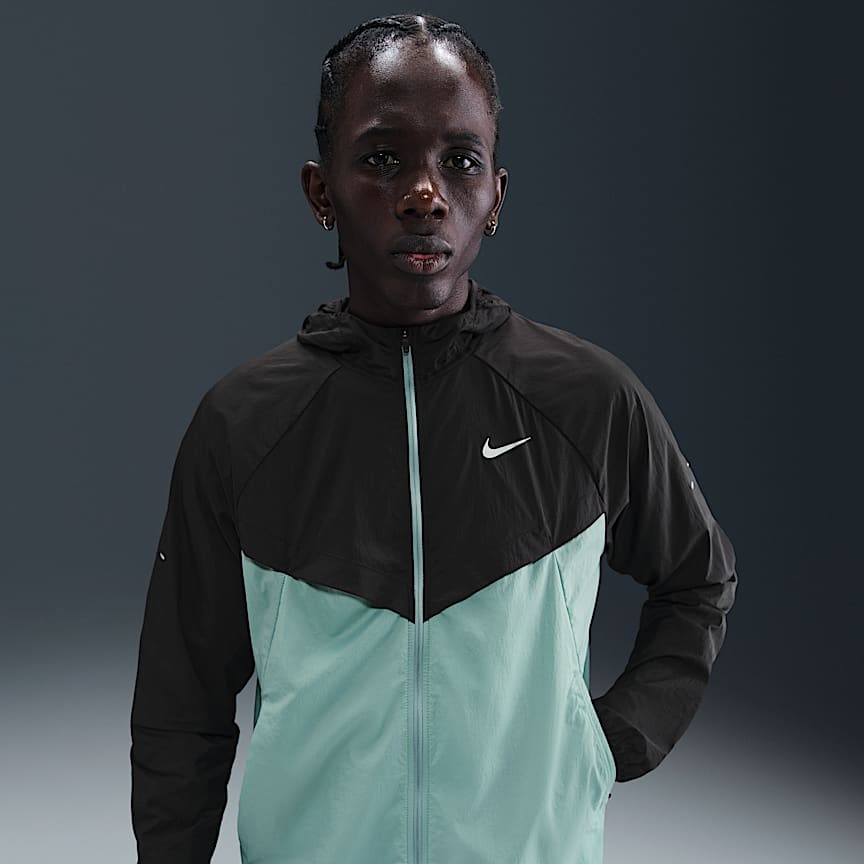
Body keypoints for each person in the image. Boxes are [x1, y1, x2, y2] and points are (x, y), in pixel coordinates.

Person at [130, 12, 738, 864]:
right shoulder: (244, 423)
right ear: (321, 191)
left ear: (496, 195)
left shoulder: (587, 399)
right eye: (383, 159)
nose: (425, 193)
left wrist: (607, 744)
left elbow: (698, 578)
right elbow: (180, 706)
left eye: (460, 161)